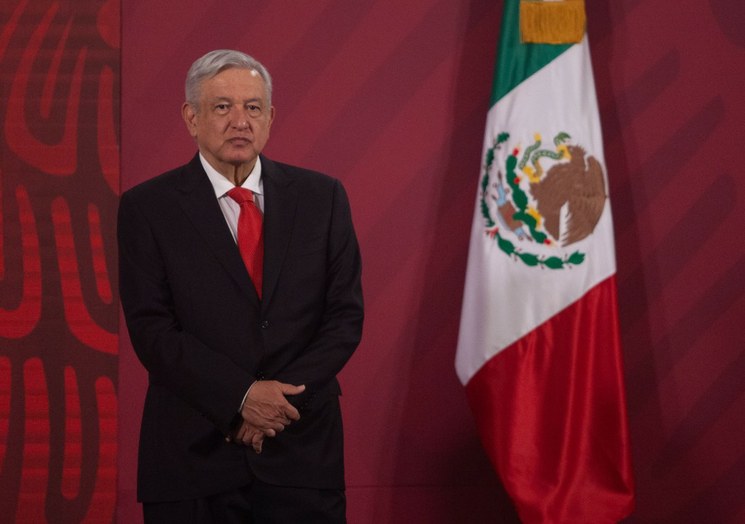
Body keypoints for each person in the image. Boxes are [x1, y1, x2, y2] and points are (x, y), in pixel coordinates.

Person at [118, 49, 364, 523]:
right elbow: (153, 330)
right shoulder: (148, 208)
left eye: (253, 107)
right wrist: (242, 398)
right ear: (191, 117)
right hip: (194, 457)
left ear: (269, 118)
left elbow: (344, 317)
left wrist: (276, 404)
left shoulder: (322, 197)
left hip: (301, 452)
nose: (240, 121)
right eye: (222, 107)